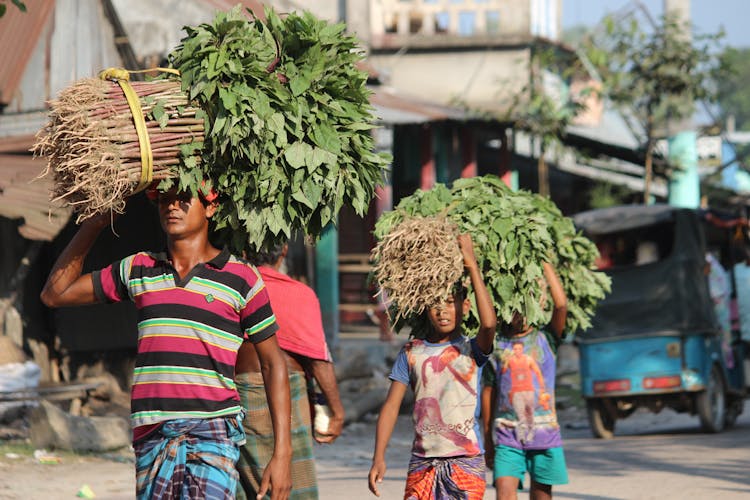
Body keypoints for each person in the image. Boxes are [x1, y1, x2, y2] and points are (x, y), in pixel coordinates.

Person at [40, 186, 293, 500]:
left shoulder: (242, 279)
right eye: (163, 200)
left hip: (212, 430)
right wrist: (92, 226)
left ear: (211, 208)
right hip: (152, 431)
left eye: (183, 198)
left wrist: (282, 454)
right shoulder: (139, 268)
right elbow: (55, 294)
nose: (171, 207)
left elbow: (273, 363)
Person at [368, 234, 497, 499]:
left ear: (465, 306)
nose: (443, 311)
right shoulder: (412, 352)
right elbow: (391, 407)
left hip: (466, 461)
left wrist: (471, 265)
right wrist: (378, 456)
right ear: (425, 309)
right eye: (435, 305)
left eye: (450, 303)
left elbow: (489, 325)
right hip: (422, 461)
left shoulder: (473, 350)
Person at [236, 243, 345, 500]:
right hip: (289, 390)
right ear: (284, 251)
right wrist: (337, 411)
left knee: (246, 480)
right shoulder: (300, 294)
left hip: (241, 388)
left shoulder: (234, 287)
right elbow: (318, 362)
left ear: (243, 253)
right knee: (289, 484)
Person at [482, 261, 568, 500]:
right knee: (504, 493)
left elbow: (561, 305)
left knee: (541, 495)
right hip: (507, 435)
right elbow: (488, 393)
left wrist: (545, 263)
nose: (518, 311)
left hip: (545, 434)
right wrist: (488, 439)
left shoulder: (546, 339)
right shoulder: (496, 344)